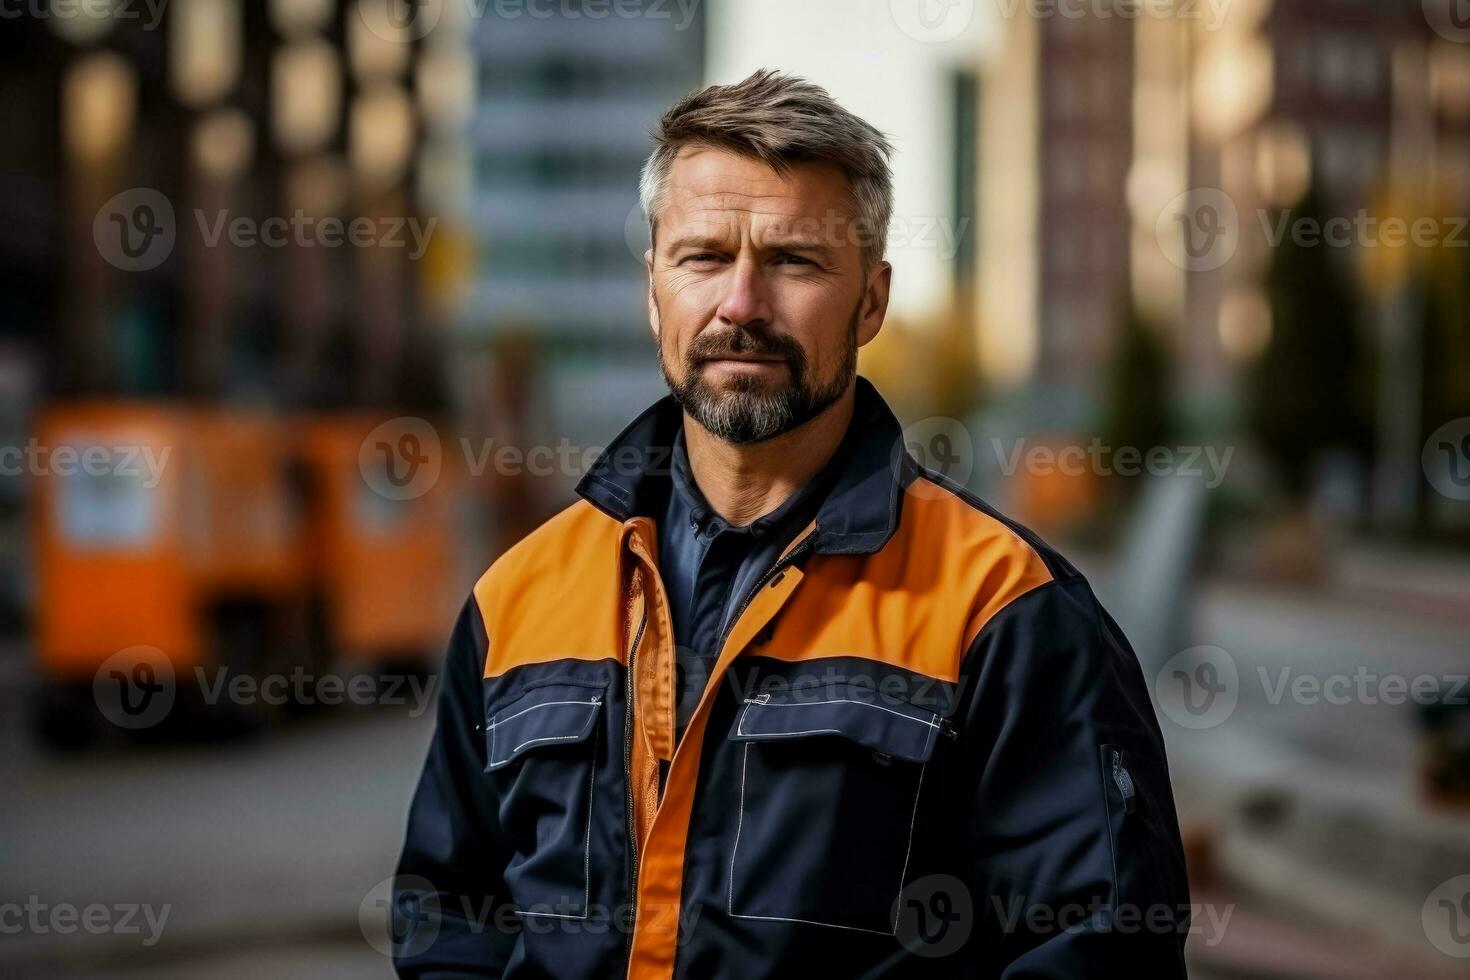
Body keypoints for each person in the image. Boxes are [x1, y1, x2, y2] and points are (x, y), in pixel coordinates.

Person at [393, 69, 1190, 978]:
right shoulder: (517, 598)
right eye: (701, 257)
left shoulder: (1004, 609)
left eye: (794, 261)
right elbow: (447, 916)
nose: (741, 305)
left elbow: (1099, 951)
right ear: (653, 288)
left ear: (872, 301)